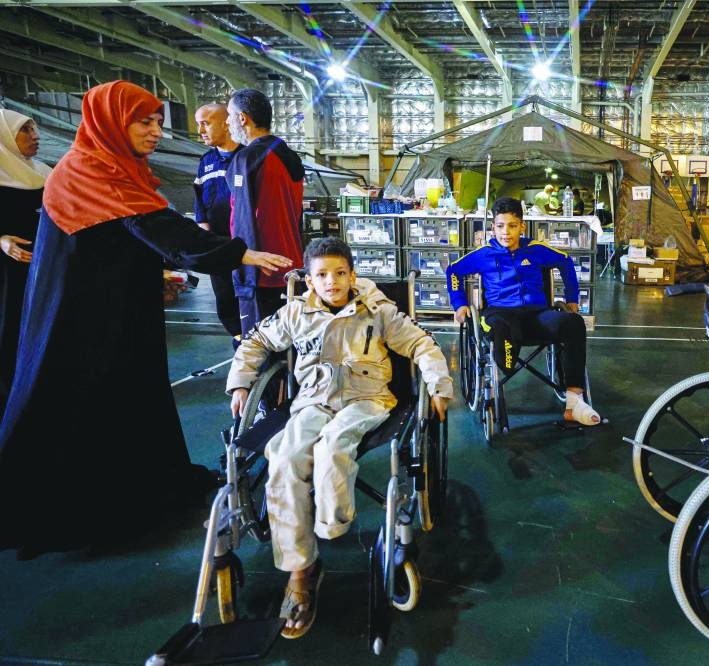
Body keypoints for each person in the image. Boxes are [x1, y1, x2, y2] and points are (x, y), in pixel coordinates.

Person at [0, 81, 293, 560]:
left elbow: (137, 233)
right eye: (144, 121)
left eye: (159, 121)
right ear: (111, 121)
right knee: (90, 401)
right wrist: (242, 253)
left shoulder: (115, 168)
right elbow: (157, 228)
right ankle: (89, 511)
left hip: (114, 311)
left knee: (128, 393)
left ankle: (141, 491)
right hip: (84, 322)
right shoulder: (91, 171)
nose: (157, 131)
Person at [227, 237, 452, 639]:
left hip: (367, 401)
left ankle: (331, 527)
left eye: (340, 273)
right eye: (322, 275)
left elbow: (420, 343)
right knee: (283, 455)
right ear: (310, 280)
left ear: (352, 274)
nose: (332, 282)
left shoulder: (378, 311)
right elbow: (257, 342)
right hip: (312, 402)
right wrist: (241, 383)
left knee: (334, 445)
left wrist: (439, 385)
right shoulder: (295, 313)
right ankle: (302, 568)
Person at [445, 196, 600, 425]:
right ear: (493, 227)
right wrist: (460, 304)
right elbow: (453, 271)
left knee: (573, 323)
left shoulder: (536, 249)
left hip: (536, 315)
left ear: (522, 226)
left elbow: (566, 261)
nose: (505, 232)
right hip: (500, 314)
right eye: (500, 226)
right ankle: (505, 366)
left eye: (512, 225)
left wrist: (572, 298)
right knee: (502, 330)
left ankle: (574, 404)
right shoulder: (484, 254)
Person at [225, 88, 305, 336]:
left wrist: (242, 268)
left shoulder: (248, 158)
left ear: (242, 118)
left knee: (259, 350)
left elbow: (242, 219)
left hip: (261, 272)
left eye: (229, 115)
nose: (227, 122)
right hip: (292, 266)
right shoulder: (288, 155)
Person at [0, 110, 50, 413]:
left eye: (34, 128)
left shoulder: (45, 173)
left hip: (41, 268)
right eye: (25, 130)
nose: (35, 135)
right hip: (6, 274)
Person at [193, 103, 242, 337]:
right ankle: (237, 338)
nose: (200, 130)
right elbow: (199, 196)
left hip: (244, 242)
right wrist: (202, 226)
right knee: (224, 296)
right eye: (198, 124)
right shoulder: (206, 161)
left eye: (205, 123)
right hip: (216, 243)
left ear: (226, 123)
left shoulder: (247, 157)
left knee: (247, 292)